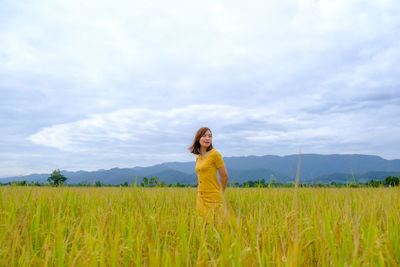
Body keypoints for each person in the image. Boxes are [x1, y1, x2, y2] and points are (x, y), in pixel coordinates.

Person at [189, 127, 229, 221]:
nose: (207, 138)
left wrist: (221, 193)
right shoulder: (198, 157)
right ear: (198, 138)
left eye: (210, 136)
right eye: (204, 136)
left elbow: (225, 176)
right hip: (200, 197)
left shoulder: (215, 154)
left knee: (215, 227)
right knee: (202, 227)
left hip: (213, 198)